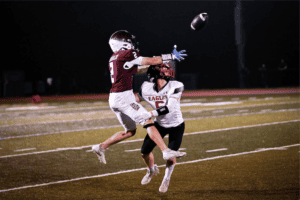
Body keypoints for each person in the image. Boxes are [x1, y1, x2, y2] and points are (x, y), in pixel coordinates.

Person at [92, 30, 187, 164]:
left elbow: (138, 69)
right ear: (122, 43)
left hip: (113, 98)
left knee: (131, 131)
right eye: (129, 41)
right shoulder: (127, 53)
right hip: (124, 97)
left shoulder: (114, 58)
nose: (132, 43)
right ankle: (165, 151)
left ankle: (101, 147)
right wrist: (170, 56)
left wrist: (153, 66)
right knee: (148, 120)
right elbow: (150, 60)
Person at [135, 63, 185, 193]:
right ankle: (151, 170)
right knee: (144, 152)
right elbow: (136, 99)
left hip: (176, 125)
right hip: (159, 125)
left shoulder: (176, 85)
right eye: (164, 71)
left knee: (170, 156)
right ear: (156, 75)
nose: (167, 72)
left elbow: (169, 107)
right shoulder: (146, 87)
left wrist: (150, 113)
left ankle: (166, 178)